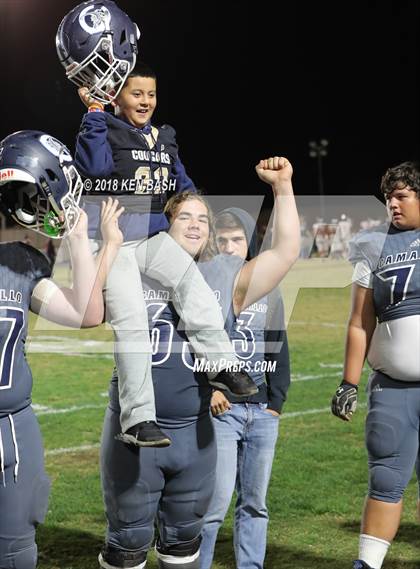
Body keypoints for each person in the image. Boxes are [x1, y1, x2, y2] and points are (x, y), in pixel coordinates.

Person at [98, 156, 300, 569]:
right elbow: (84, 308)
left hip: (195, 433)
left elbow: (286, 253)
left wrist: (282, 188)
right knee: (127, 543)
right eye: (184, 216)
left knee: (183, 542)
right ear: (165, 224)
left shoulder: (224, 275)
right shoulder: (133, 265)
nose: (195, 224)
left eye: (203, 219)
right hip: (133, 435)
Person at [74, 61, 256, 448]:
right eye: (136, 93)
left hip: (153, 236)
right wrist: (93, 113)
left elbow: (182, 183)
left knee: (195, 288)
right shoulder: (104, 125)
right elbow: (93, 170)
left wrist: (194, 210)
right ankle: (137, 419)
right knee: (132, 321)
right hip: (115, 238)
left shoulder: (164, 136)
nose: (145, 101)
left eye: (151, 94)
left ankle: (222, 364)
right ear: (118, 95)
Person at [0, 130, 123, 569]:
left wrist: (82, 240)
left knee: (16, 550)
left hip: (14, 426)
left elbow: (86, 313)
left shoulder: (20, 262)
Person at [330, 161, 420, 569]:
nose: (393, 205)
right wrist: (349, 382)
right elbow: (359, 320)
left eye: (402, 196)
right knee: (385, 476)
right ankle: (366, 565)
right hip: (394, 384)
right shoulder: (371, 243)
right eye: (389, 198)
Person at [200, 207, 291, 569]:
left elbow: (278, 344)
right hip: (223, 411)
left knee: (255, 504)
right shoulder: (204, 286)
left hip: (262, 411)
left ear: (249, 243)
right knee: (214, 505)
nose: (228, 246)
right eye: (221, 240)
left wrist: (277, 401)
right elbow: (193, 345)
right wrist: (211, 389)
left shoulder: (268, 289)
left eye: (237, 239)